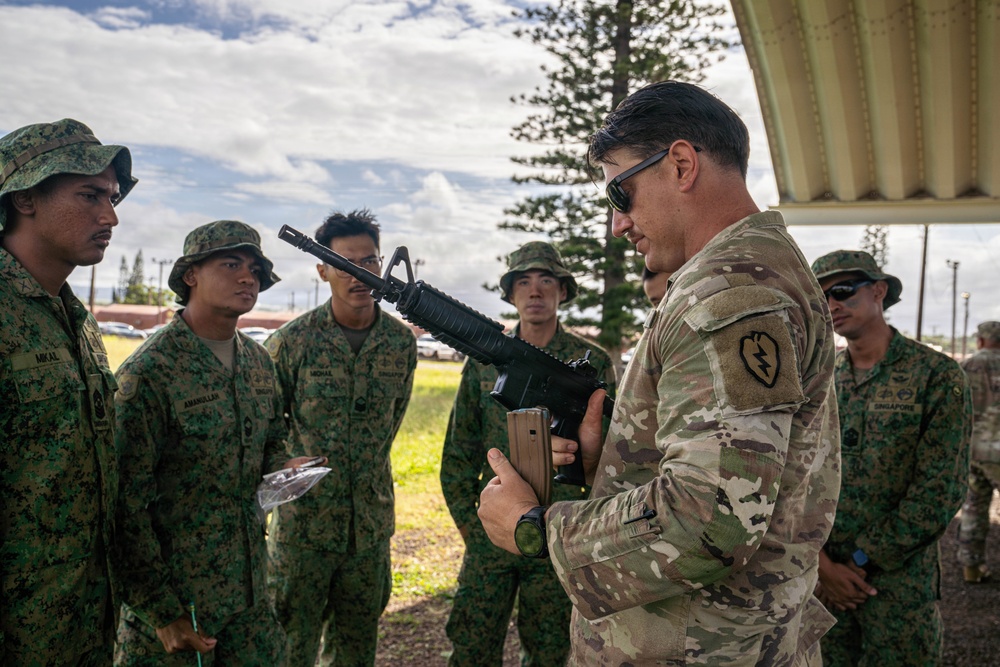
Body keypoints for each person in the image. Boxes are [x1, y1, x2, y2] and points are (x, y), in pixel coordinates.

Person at [479, 80, 842, 665]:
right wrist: (617, 457)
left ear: (680, 164)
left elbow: (710, 521)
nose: (618, 224)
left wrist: (536, 526)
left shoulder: (726, 294)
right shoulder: (756, 274)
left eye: (620, 192)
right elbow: (757, 474)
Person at [114, 220, 310, 666]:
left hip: (250, 596)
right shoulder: (150, 371)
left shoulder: (259, 362)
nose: (248, 277)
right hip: (178, 605)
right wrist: (160, 611)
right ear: (191, 276)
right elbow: (123, 502)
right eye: (231, 264)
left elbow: (269, 444)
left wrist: (286, 467)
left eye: (256, 270)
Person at [440, 240, 617, 665]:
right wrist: (473, 527)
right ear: (511, 293)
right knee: (472, 645)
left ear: (562, 291)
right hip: (492, 531)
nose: (534, 291)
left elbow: (612, 454)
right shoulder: (485, 361)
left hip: (559, 530)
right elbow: (457, 453)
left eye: (545, 280)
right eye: (523, 281)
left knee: (553, 650)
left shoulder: (591, 361)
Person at [0, 118, 136, 665]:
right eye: (90, 195)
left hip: (80, 627)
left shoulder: (72, 317)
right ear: (26, 196)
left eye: (112, 196)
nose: (111, 216)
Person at [266, 209, 417, 667]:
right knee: (293, 646)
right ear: (323, 270)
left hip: (368, 531)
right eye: (345, 263)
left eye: (369, 261)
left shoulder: (399, 342)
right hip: (303, 532)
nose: (359, 274)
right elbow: (272, 431)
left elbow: (390, 427)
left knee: (357, 650)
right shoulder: (292, 343)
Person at [810, 249, 971, 666]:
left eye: (843, 291)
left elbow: (941, 489)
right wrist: (823, 565)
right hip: (824, 585)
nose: (832, 305)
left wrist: (859, 561)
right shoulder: (820, 381)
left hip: (897, 586)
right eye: (821, 295)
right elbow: (798, 479)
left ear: (879, 291)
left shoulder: (935, 374)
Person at [957, 320, 1000, 583]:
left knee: (973, 506)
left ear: (981, 340)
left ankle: (971, 568)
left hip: (973, 450)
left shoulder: (967, 366)